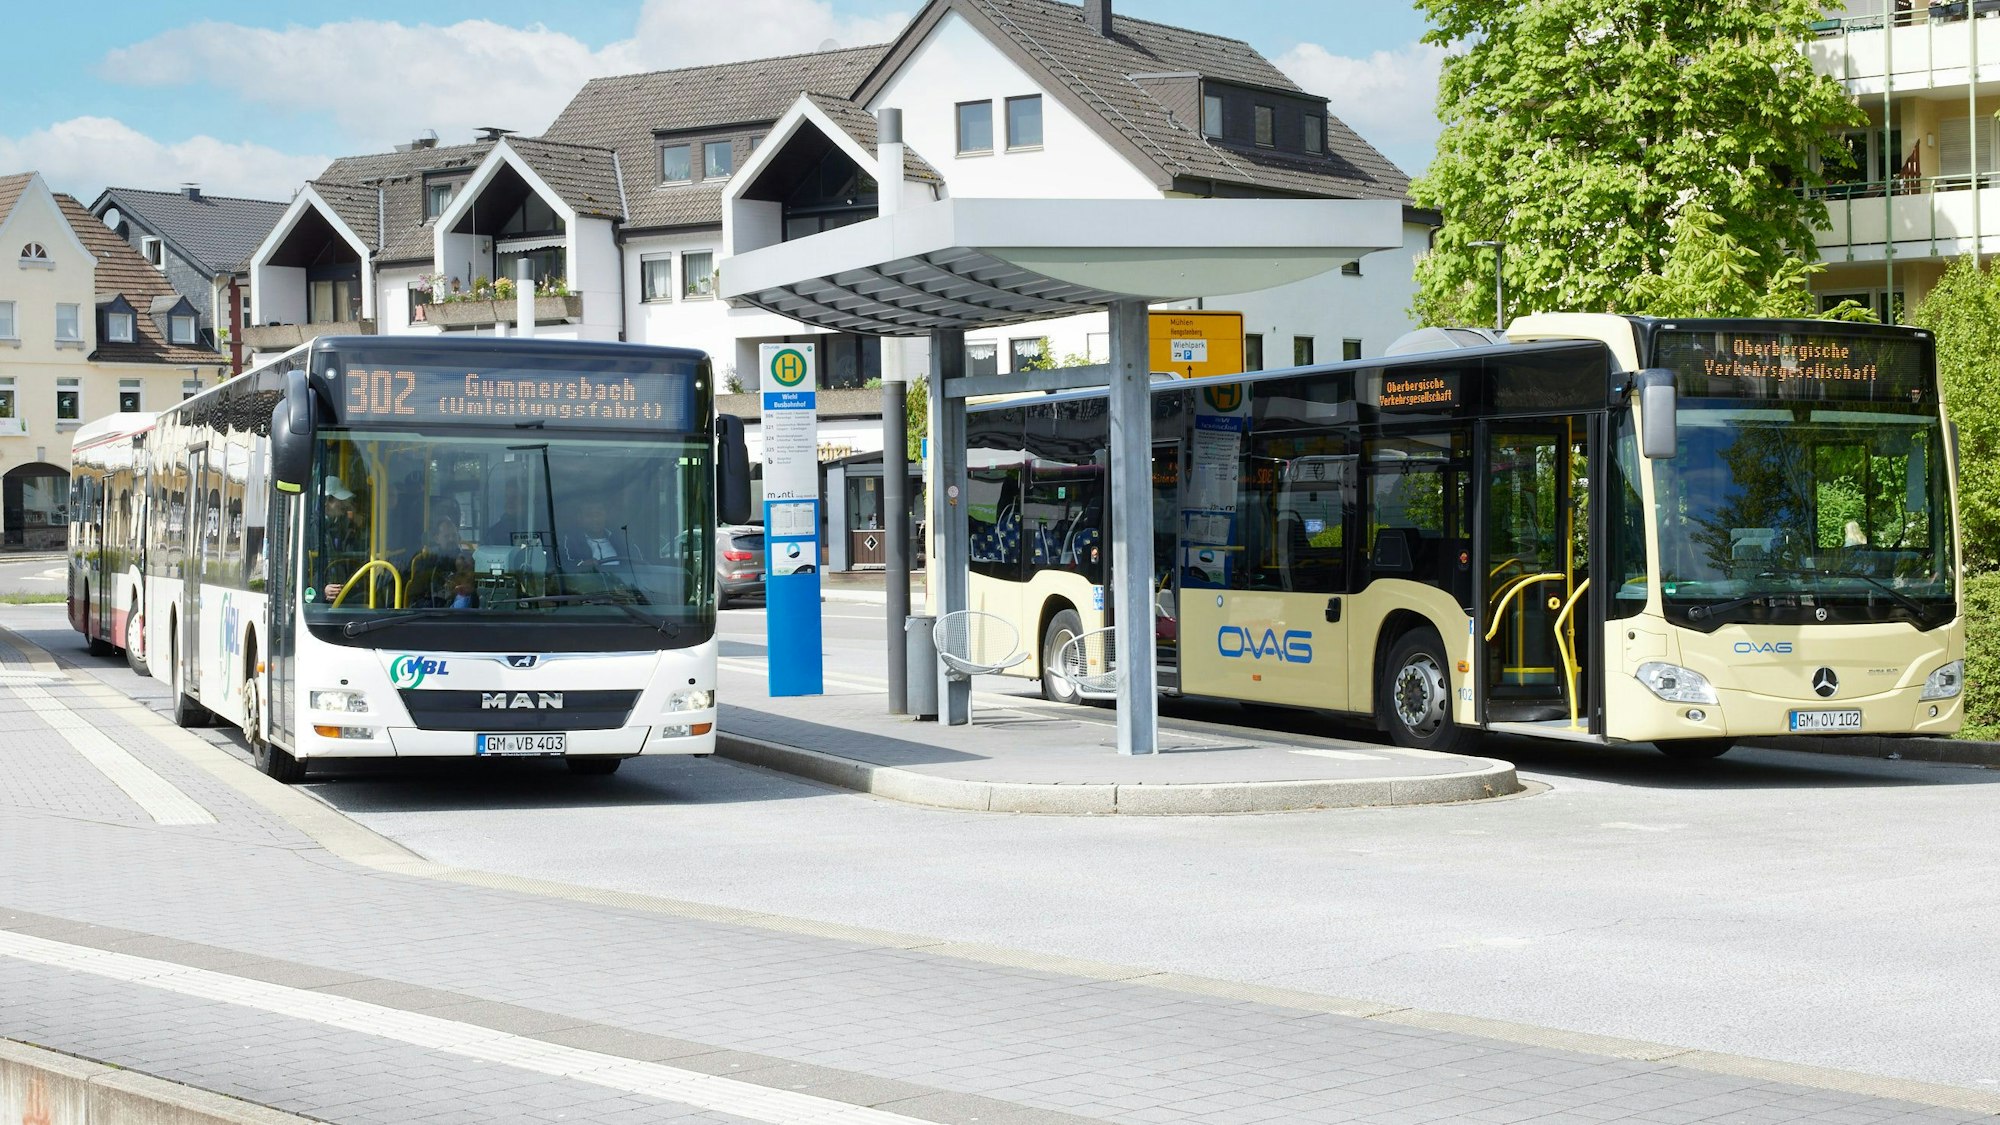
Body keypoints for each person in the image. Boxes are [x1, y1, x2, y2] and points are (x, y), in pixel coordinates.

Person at [406, 499, 476, 608]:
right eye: (447, 536)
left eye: (454, 535)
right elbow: (416, 599)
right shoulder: (426, 562)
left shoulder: (467, 560)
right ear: (436, 538)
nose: (451, 539)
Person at [562, 498, 640, 571]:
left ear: (606, 516)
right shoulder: (568, 541)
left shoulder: (623, 539)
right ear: (579, 518)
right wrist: (581, 565)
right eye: (588, 515)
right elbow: (562, 566)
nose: (595, 519)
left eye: (598, 514)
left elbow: (640, 563)